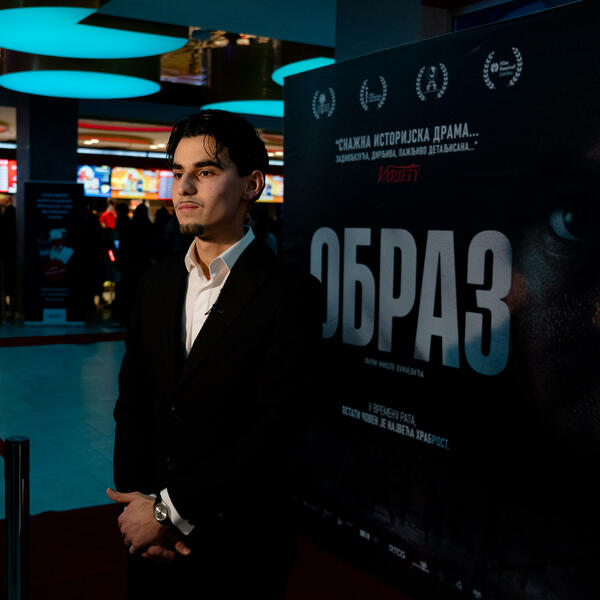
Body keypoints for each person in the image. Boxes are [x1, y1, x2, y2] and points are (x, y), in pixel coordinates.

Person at [106, 109, 323, 598]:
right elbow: (132, 404)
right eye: (178, 172)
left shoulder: (290, 293)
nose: (184, 187)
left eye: (204, 172)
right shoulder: (158, 282)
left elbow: (274, 430)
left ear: (252, 185)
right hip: (150, 546)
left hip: (238, 548)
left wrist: (168, 513)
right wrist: (139, 508)